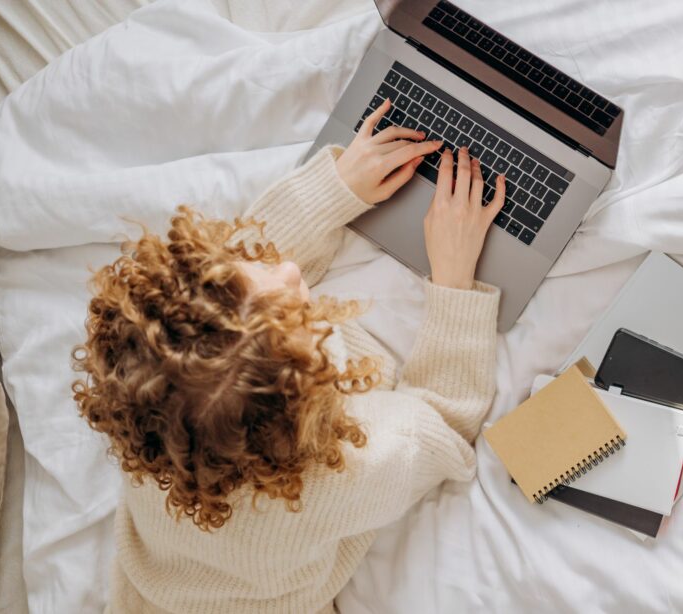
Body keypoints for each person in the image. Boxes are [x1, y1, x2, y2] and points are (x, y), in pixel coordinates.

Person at [72, 98, 508, 613]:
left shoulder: (150, 412)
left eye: (242, 269)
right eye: (296, 314)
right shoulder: (342, 473)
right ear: (308, 402)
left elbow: (234, 280)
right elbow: (445, 421)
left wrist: (336, 189)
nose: (290, 272)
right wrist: (455, 280)